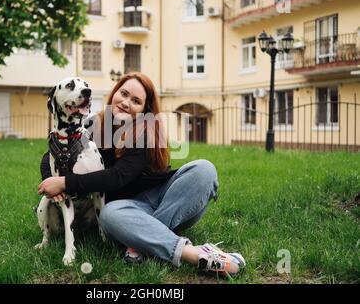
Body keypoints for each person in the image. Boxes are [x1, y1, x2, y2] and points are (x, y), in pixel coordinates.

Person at [37, 72, 246, 277]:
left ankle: (141, 239)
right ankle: (195, 254)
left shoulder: (146, 133)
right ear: (114, 93)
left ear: (144, 109)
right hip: (124, 210)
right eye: (124, 93)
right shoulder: (92, 125)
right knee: (110, 213)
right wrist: (50, 180)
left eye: (136, 100)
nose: (126, 102)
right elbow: (53, 154)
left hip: (167, 202)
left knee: (204, 169)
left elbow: (118, 176)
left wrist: (66, 182)